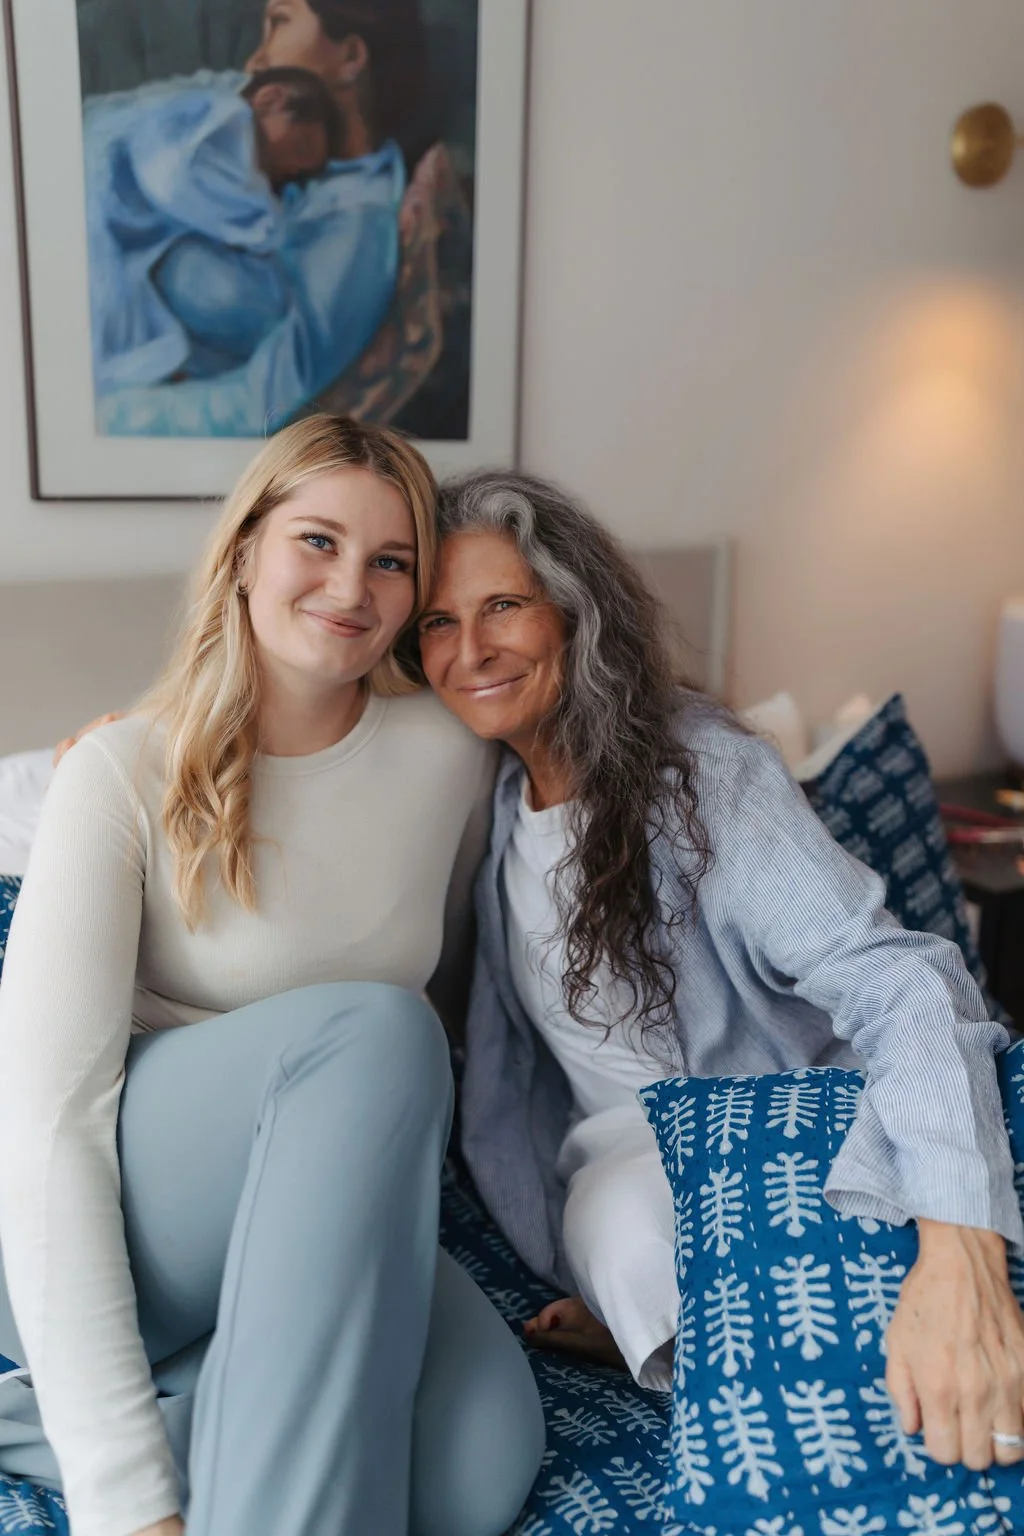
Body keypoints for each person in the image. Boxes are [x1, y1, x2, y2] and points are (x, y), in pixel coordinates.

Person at [413, 468, 1024, 1474]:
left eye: (504, 606)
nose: (469, 649)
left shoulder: (701, 777)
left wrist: (962, 1246)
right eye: (439, 622)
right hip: (622, 1173)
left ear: (575, 612)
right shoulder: (481, 804)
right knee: (621, 1230)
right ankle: (695, 1350)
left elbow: (898, 978)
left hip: (768, 1130)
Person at [0, 418, 545, 1536]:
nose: (350, 587)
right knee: (378, 1033)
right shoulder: (120, 769)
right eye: (317, 541)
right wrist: (127, 1502)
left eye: (390, 560)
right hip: (123, 1209)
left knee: (476, 1470)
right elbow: (46, 1127)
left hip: (330, 1193)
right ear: (245, 548)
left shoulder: (452, 754)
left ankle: (53, 1419)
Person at [87, 67, 346, 395]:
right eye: (302, 147)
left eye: (302, 171)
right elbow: (174, 180)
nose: (294, 168)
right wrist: (267, 222)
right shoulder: (223, 116)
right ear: (271, 100)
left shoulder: (243, 152)